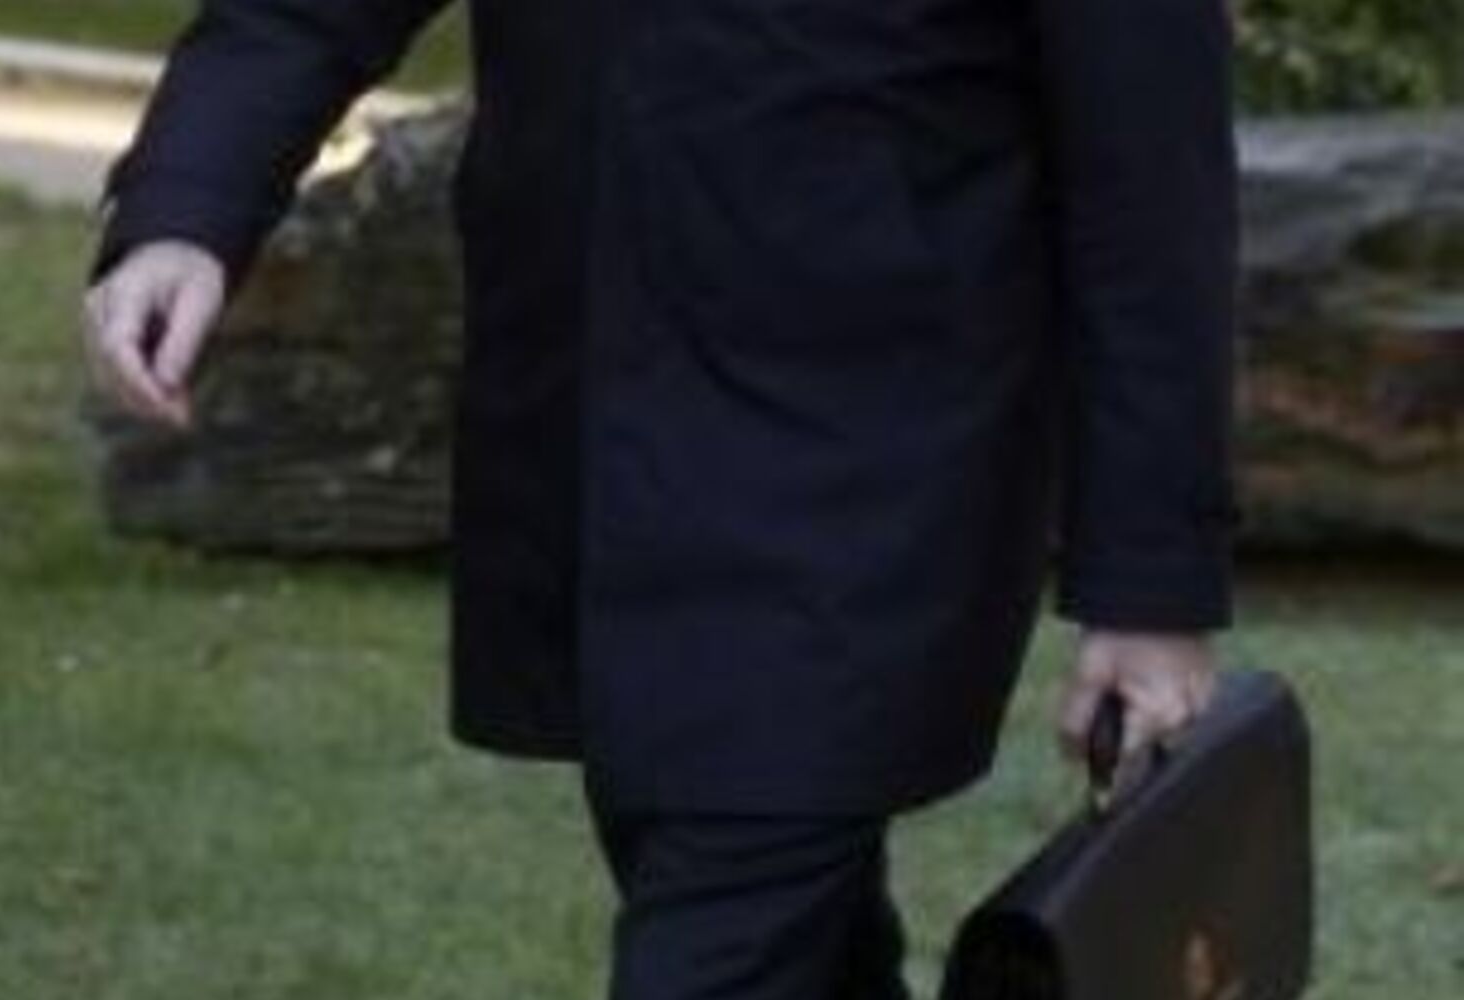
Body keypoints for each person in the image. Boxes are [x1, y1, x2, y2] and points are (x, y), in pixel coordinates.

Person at [80, 0, 1242, 996]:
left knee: (725, 920)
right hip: (589, 449)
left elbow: (1149, 180)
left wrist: (1152, 583)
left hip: (870, 483)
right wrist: (183, 213)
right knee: (767, 917)